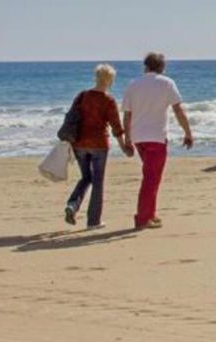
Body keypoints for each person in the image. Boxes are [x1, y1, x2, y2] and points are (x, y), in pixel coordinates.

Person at [121, 52, 193, 230]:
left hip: (139, 138)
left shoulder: (133, 84)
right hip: (156, 137)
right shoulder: (167, 83)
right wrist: (188, 132)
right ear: (162, 67)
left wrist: (127, 138)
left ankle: (150, 214)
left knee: (151, 176)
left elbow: (127, 114)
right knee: (151, 178)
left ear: (145, 65)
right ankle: (142, 218)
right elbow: (178, 110)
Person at [63, 63, 134, 228]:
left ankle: (72, 205)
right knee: (98, 181)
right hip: (99, 145)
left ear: (96, 77)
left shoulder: (82, 96)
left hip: (79, 143)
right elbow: (116, 127)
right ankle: (93, 221)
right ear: (110, 80)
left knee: (86, 177)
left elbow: (71, 118)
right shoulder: (108, 100)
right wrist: (124, 147)